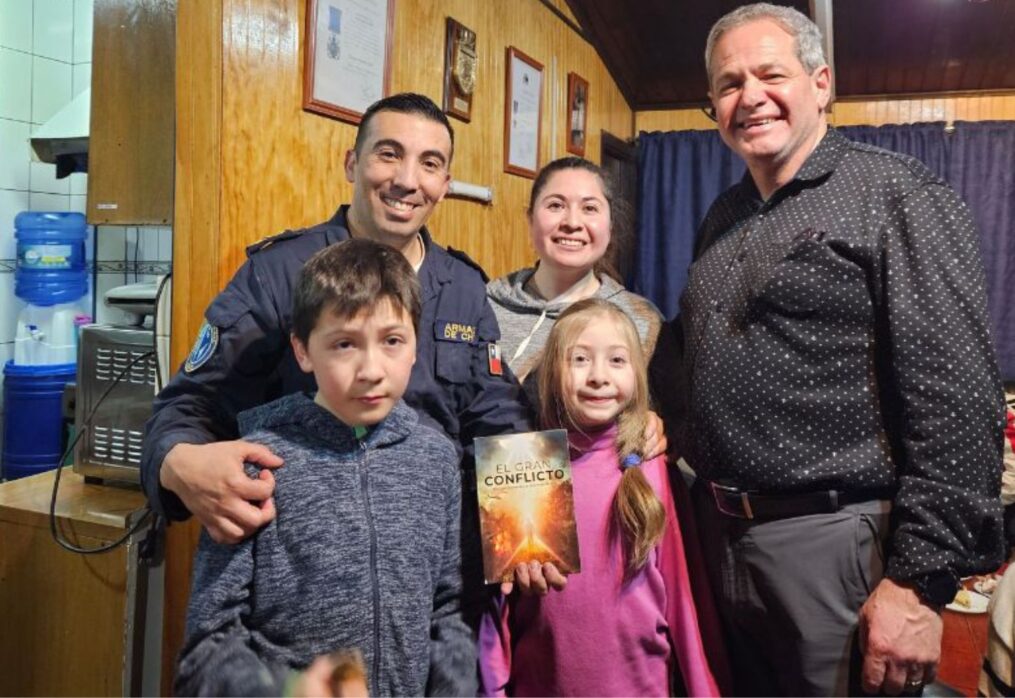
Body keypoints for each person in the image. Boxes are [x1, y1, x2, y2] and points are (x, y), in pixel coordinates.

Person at [665, 3, 1007, 696]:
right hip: (715, 540)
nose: (749, 97)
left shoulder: (897, 195)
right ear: (711, 106)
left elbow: (958, 399)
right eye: (729, 84)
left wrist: (917, 586)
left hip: (832, 545)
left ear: (820, 83)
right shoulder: (722, 216)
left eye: (769, 74)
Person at [141, 93, 531, 547]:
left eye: (429, 164)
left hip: (432, 560)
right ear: (352, 164)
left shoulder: (464, 287)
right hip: (304, 559)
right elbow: (189, 407)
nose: (407, 180)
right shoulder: (278, 275)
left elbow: (499, 415)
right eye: (389, 154)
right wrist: (176, 462)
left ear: (444, 184)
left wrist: (530, 522)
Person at [174, 239, 474, 696]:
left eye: (392, 341)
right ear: (303, 351)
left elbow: (447, 613)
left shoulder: (435, 459)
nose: (371, 369)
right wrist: (289, 691)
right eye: (344, 344)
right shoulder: (255, 464)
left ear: (416, 343)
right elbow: (206, 649)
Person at [479, 299, 724, 697]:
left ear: (637, 375)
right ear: (552, 372)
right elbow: (500, 606)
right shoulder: (522, 469)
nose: (598, 376)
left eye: (616, 360)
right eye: (579, 359)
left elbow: (685, 602)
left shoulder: (651, 469)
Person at [487, 156, 664, 407]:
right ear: (530, 218)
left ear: (610, 225)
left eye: (589, 208)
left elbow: (660, 416)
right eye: (556, 205)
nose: (572, 223)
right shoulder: (483, 306)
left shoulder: (642, 321)